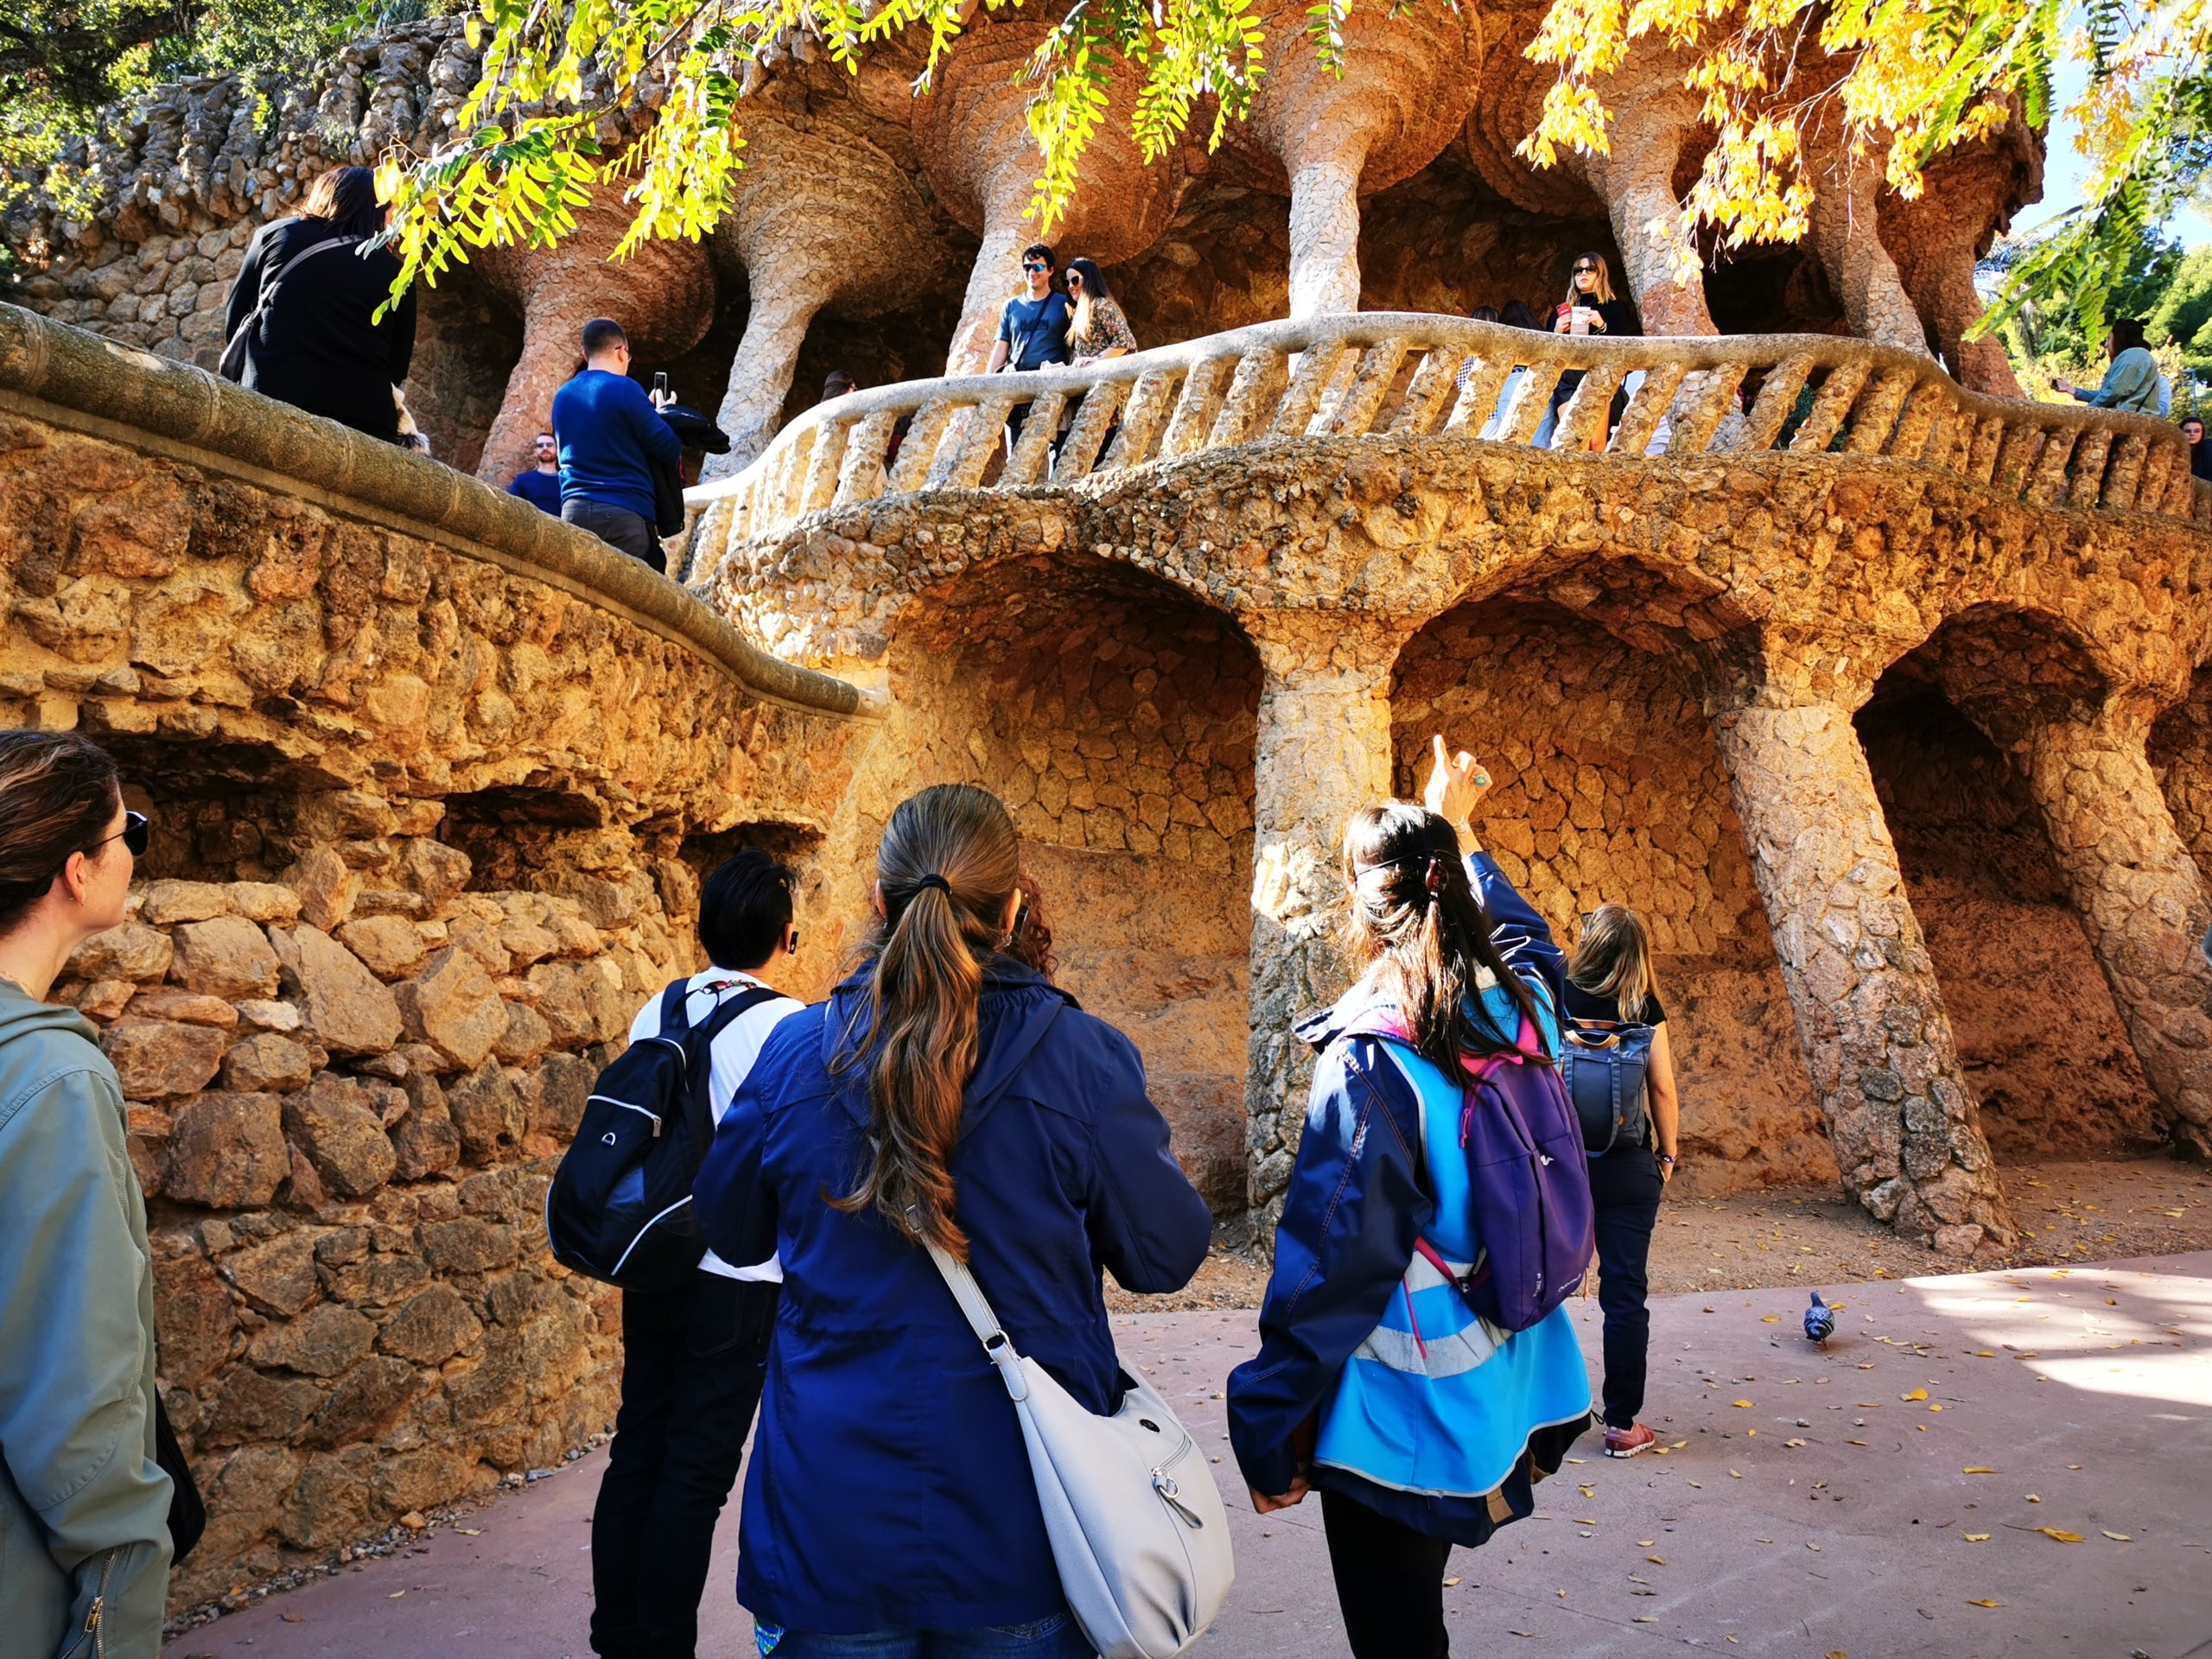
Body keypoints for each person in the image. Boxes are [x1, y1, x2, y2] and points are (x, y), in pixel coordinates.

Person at [693, 783, 1212, 1656]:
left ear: (878, 903)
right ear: (1012, 907)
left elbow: (730, 1228)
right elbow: (1165, 1253)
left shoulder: (794, 1053)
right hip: (1025, 1521)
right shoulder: (1081, 1059)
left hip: (829, 1521)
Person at [1227, 736, 1593, 1659]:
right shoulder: (1524, 1009)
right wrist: (1461, 835)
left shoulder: (1373, 1053)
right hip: (1503, 1375)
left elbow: (1332, 1262)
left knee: (1394, 1636)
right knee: (1416, 1613)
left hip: (1399, 1408)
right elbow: (1529, 941)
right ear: (1442, 884)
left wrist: (1267, 1418)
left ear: (1363, 900)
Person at [590, 849, 806, 1659]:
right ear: (786, 936)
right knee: (695, 1475)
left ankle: (621, 1639)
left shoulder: (661, 1007)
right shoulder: (789, 1026)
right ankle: (661, 1645)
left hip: (655, 1257)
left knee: (637, 1446)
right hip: (738, 1277)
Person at [0, 731, 173, 1657]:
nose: (132, 851)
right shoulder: (52, 1079)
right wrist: (123, 1585)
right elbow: (76, 1383)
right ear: (76, 869)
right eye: (128, 831)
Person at [1561, 903, 1681, 1459]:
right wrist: (1668, 1157)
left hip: (1558, 1167)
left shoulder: (1555, 994)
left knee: (1530, 1284)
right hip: (1629, 1165)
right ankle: (1622, 1423)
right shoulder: (1644, 1008)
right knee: (1625, 1296)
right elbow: (1661, 1091)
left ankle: (1530, 1414)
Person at [222, 165, 418, 442]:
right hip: (364, 421)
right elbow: (397, 368)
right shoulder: (396, 272)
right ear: (376, 209)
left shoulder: (275, 235)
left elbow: (235, 321)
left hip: (271, 396)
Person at [552, 317, 683, 571]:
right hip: (625, 512)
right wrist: (664, 414)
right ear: (622, 352)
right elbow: (667, 448)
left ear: (584, 353)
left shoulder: (562, 395)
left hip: (573, 511)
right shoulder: (626, 389)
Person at [1538, 252, 1638, 449]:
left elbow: (1624, 348)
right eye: (1578, 270)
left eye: (1590, 269)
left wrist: (1601, 325)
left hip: (1599, 376)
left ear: (1600, 273)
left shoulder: (1614, 308)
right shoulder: (1562, 311)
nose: (1583, 273)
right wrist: (1557, 330)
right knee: (1573, 440)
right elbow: (1546, 351)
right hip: (1568, 378)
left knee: (1597, 443)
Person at [2054, 319, 2162, 413]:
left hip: (2132, 423)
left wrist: (2084, 413)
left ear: (2119, 338)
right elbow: (2107, 394)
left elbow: (2112, 393)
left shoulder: (2134, 355)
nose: (2106, 345)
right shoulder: (2134, 356)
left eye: (2109, 338)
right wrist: (2071, 389)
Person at [1064, 257, 1138, 364]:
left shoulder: (1101, 305)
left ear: (1089, 280)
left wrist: (1095, 359)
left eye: (1075, 280)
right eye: (1067, 282)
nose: (1071, 286)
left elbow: (1125, 342)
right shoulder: (1079, 312)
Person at [509, 430, 563, 515]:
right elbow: (510, 507)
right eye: (540, 446)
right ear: (535, 453)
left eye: (549, 445)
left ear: (557, 451)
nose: (545, 448)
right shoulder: (522, 480)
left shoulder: (566, 481)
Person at [2183, 415, 2212, 480]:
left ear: (2202, 433)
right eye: (2188, 431)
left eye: (2197, 431)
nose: (2192, 434)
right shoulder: (2177, 450)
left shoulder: (2208, 447)